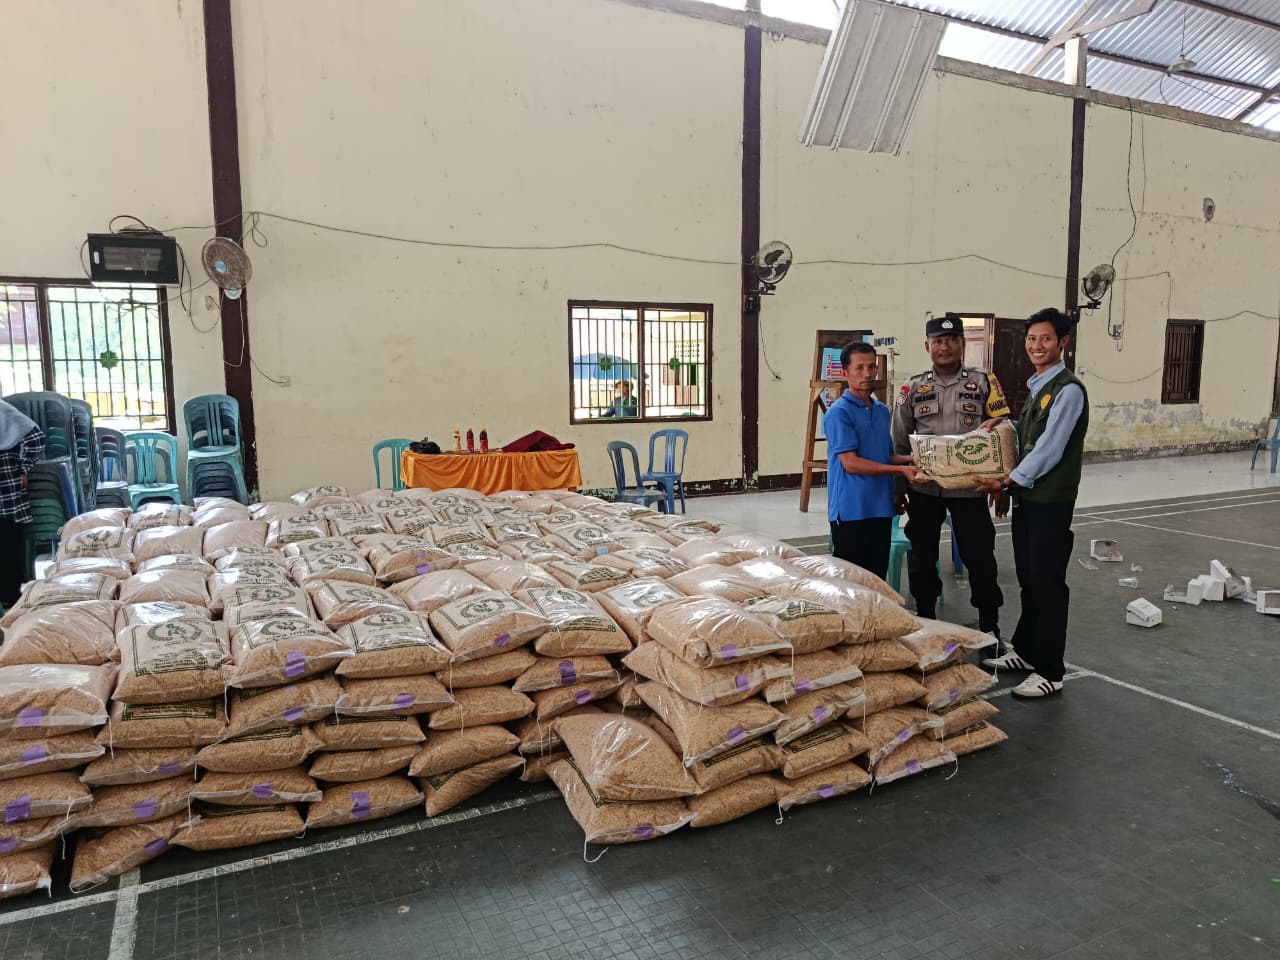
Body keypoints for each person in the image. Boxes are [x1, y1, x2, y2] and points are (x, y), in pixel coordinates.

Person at [974, 308, 1089, 699]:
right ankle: (1026, 651)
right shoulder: (1039, 386)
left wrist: (1006, 482)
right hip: (1029, 497)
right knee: (1029, 578)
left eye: (1045, 339)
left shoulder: (1068, 390)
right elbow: (1029, 436)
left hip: (1050, 501)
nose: (1036, 346)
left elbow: (1049, 449)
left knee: (1048, 582)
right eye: (1031, 339)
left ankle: (1051, 670)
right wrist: (1003, 425)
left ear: (1063, 342)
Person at [891, 316, 1011, 647]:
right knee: (922, 557)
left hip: (971, 489)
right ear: (927, 345)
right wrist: (899, 489)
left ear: (962, 343)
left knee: (981, 557)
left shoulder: (984, 381)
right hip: (925, 489)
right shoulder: (913, 387)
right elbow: (899, 440)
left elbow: (1003, 431)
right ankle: (926, 620)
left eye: (951, 340)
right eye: (937, 341)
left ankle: (990, 626)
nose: (944, 347)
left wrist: (1004, 483)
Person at [825, 341, 920, 580]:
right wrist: (900, 471)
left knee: (877, 579)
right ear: (845, 373)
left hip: (880, 508)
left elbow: (885, 455)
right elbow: (851, 463)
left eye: (871, 367)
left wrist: (912, 458)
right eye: (859, 368)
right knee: (853, 584)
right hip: (851, 510)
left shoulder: (881, 410)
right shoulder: (839, 413)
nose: (866, 374)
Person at [0, 399, 46, 606]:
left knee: (9, 539)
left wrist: (23, 467)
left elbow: (35, 437)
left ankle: (11, 595)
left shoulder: (4, 411)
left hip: (6, 486)